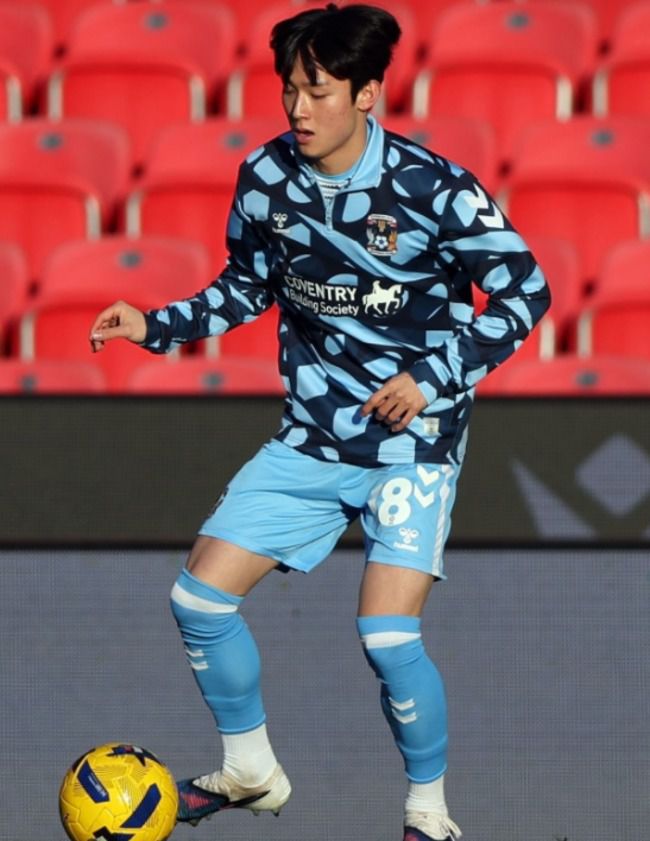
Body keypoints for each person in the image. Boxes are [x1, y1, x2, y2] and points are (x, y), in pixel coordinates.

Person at [89, 4, 550, 840]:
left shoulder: (435, 188)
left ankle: (428, 815)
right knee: (198, 598)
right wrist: (154, 324)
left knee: (386, 633)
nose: (298, 109)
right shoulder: (265, 177)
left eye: (319, 90)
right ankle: (250, 770)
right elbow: (245, 287)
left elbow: (527, 291)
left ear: (366, 93)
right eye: (289, 90)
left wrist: (432, 376)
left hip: (413, 443)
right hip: (312, 433)